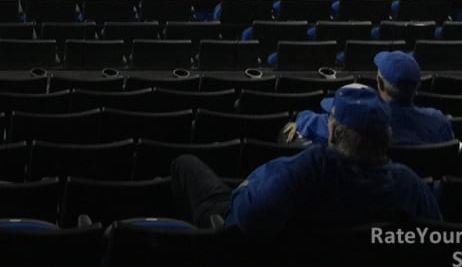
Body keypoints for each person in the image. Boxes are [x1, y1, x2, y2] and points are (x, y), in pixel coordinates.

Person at [170, 84, 440, 234]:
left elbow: (248, 219)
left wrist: (244, 192)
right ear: (386, 136)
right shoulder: (409, 184)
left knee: (185, 165)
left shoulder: (307, 169)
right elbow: (435, 236)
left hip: (254, 239)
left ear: (332, 132)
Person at [285, 51, 454, 146]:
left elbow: (313, 122)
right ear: (416, 87)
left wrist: (300, 118)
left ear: (379, 84)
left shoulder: (360, 122)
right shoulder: (440, 122)